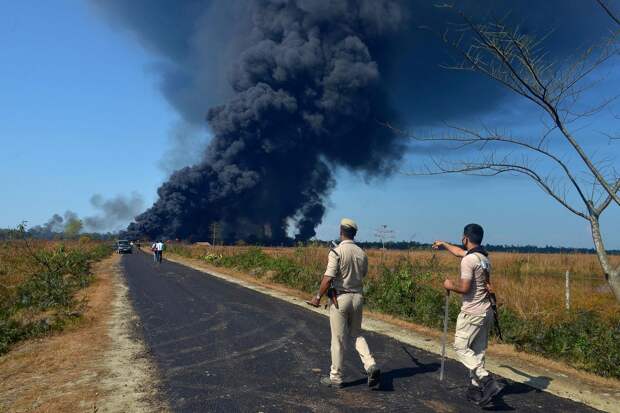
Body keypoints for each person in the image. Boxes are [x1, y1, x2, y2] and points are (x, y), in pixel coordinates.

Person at [433, 224, 504, 406]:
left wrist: (450, 285)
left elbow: (464, 288)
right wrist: (443, 244)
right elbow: (458, 252)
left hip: (471, 313)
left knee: (460, 347)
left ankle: (486, 380)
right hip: (485, 312)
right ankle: (475, 390)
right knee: (478, 352)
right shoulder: (483, 259)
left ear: (465, 238)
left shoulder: (468, 261)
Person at [308, 218, 380, 389]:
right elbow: (362, 274)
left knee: (338, 339)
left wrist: (318, 296)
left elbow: (328, 277)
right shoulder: (362, 253)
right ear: (354, 233)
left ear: (341, 231)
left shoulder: (336, 252)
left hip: (340, 299)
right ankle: (370, 365)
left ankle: (335, 377)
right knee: (357, 334)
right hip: (357, 298)